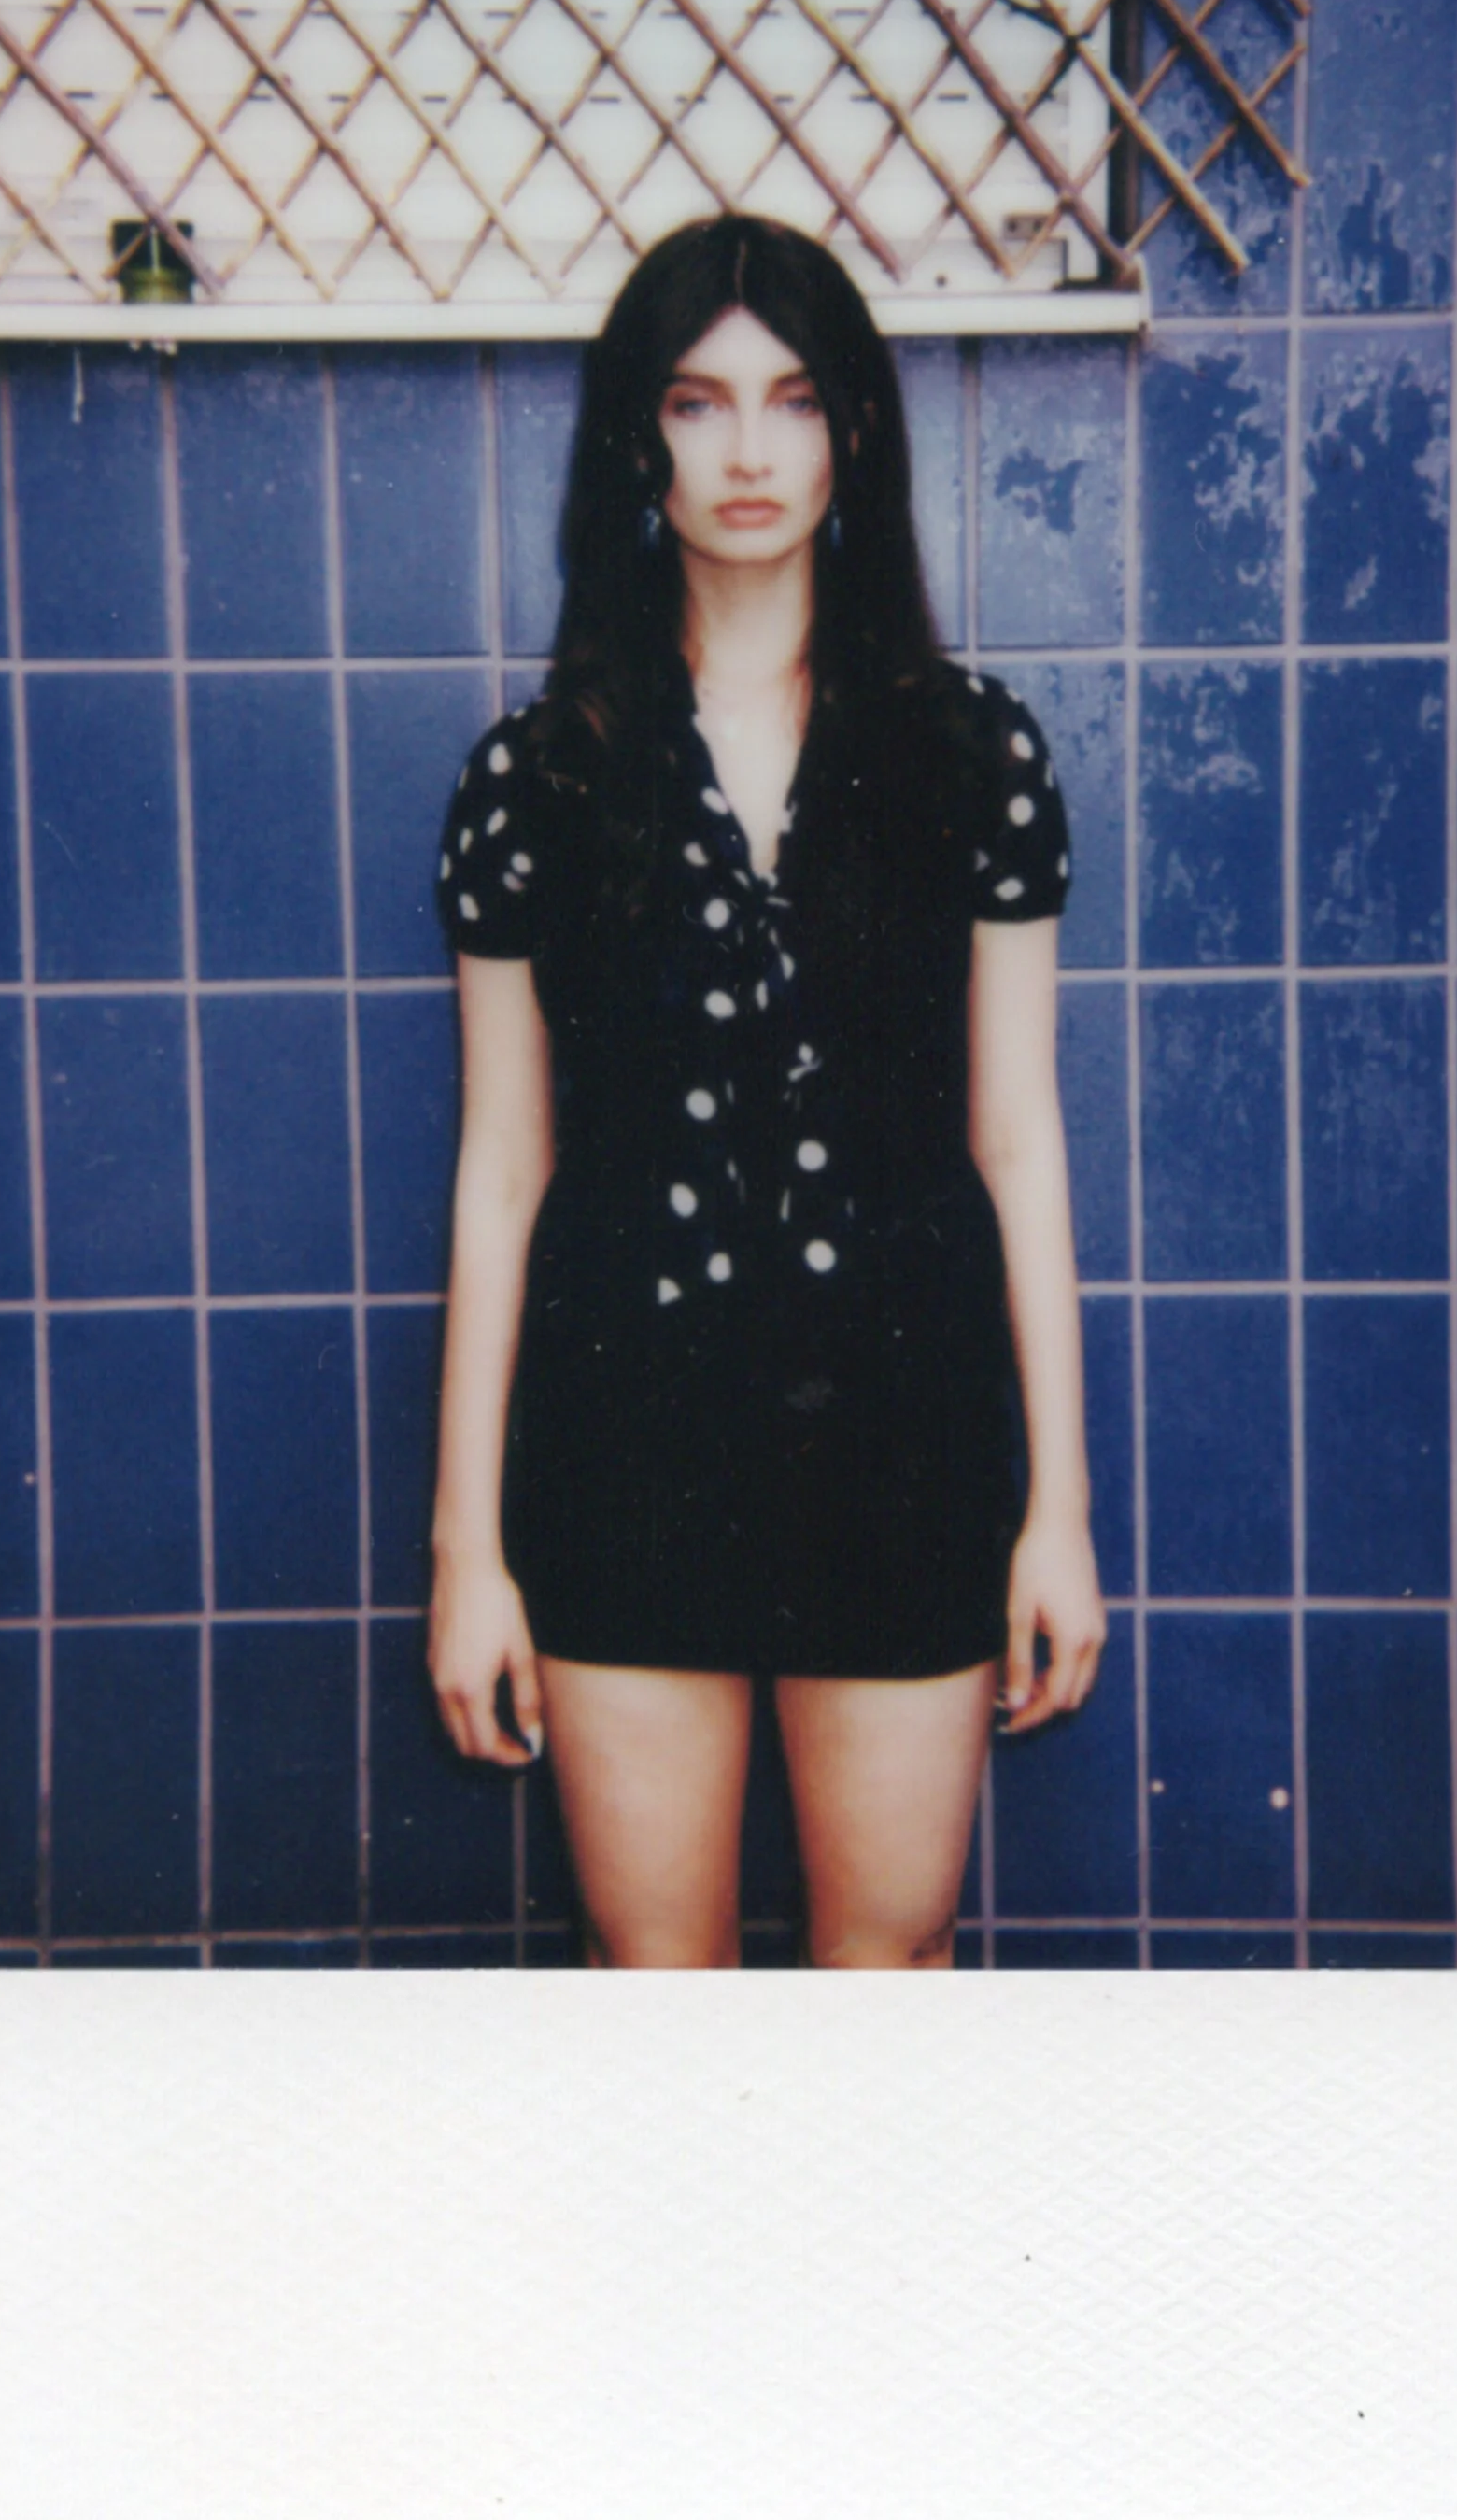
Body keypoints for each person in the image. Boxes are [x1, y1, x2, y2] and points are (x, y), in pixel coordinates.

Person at [428, 212, 1103, 1968]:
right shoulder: (538, 777)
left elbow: (1016, 1140)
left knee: (882, 1981)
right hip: (623, 1438)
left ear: (852, 432)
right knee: (664, 1993)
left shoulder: (975, 759)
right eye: (700, 401)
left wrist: (1060, 1514)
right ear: (637, 439)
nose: (746, 449)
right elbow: (503, 1168)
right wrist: (468, 1553)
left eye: (794, 401)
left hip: (909, 1437)